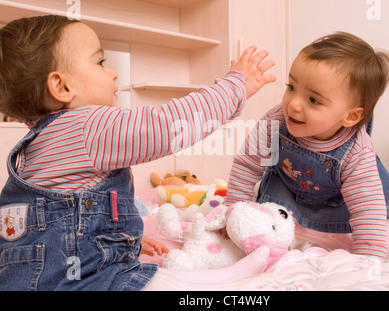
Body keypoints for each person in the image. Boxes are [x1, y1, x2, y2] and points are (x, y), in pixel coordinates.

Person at [0, 15, 275, 290]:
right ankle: (229, 283)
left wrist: (125, 245)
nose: (113, 73)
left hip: (32, 278)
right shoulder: (85, 127)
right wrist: (235, 86)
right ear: (62, 87)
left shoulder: (37, 143)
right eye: (100, 62)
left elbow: (64, 229)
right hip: (75, 283)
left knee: (158, 276)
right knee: (165, 286)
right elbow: (171, 124)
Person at [225, 32, 389, 259]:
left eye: (314, 100)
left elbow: (367, 211)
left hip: (338, 205)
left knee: (371, 220)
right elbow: (247, 165)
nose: (294, 104)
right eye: (291, 87)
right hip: (289, 193)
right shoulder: (274, 122)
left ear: (350, 116)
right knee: (268, 217)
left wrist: (368, 262)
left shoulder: (357, 153)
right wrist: (233, 212)